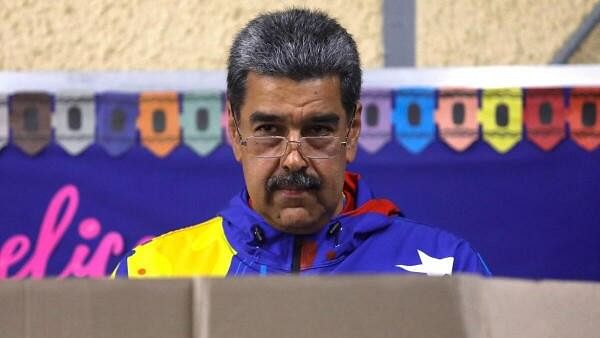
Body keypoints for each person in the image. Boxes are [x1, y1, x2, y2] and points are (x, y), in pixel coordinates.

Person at [112, 8, 490, 278]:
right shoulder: (152, 274)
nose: (293, 158)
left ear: (353, 131)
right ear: (235, 132)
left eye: (319, 129)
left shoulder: (448, 270)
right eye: (268, 129)